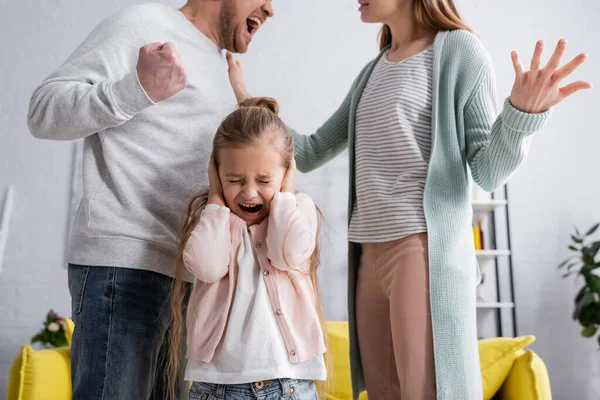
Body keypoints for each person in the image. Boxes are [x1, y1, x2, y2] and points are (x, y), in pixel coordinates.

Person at [226, 0, 592, 399]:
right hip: (368, 256)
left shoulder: (459, 51)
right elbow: (311, 151)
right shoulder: (373, 72)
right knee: (384, 392)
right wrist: (249, 102)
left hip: (420, 250)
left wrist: (521, 114)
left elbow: (487, 171)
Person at [26, 1, 274, 398]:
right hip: (124, 270)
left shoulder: (219, 64)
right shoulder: (146, 23)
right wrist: (136, 89)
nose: (270, 9)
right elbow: (43, 111)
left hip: (186, 281)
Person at [166, 97, 327, 400]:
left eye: (265, 180)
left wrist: (285, 195)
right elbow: (207, 266)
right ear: (216, 173)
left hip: (289, 385)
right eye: (234, 179)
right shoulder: (211, 218)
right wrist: (215, 199)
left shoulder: (298, 210)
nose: (249, 191)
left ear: (286, 172)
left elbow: (285, 254)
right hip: (218, 388)